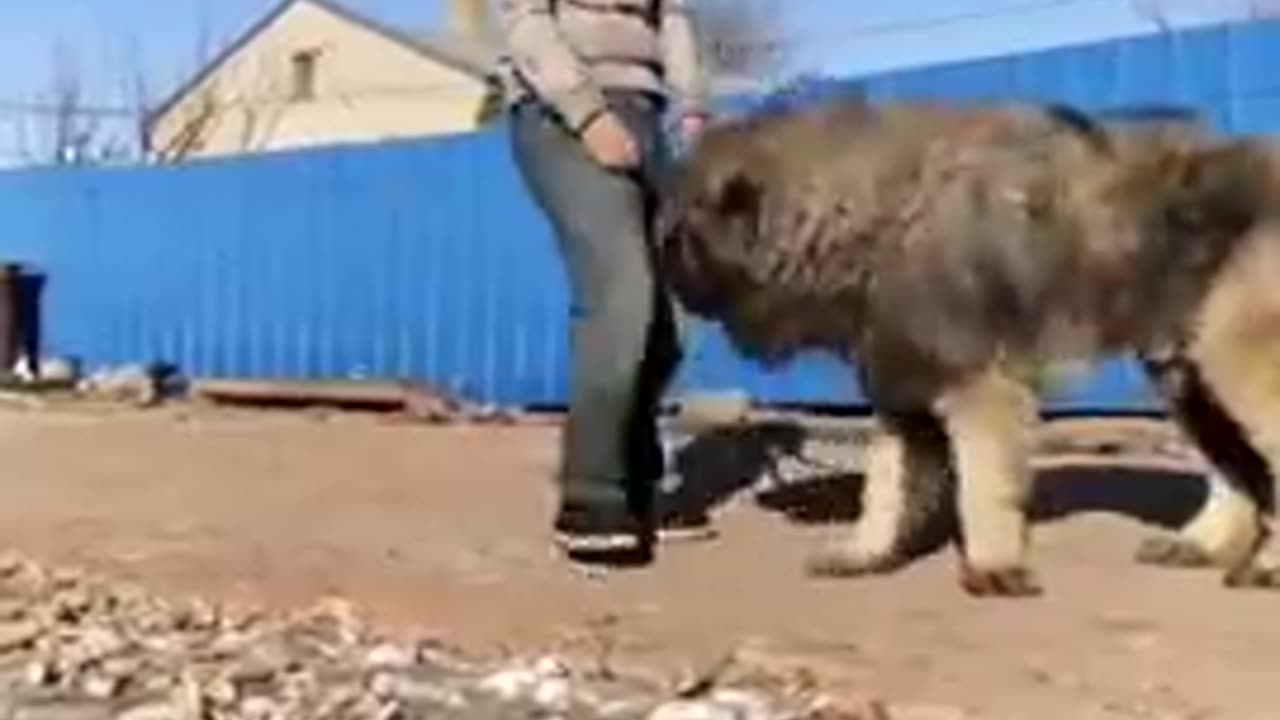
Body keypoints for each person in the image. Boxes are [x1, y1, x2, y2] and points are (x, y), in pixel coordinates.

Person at [496, 0, 714, 559]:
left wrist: (692, 107)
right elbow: (525, 22)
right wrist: (587, 113)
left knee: (676, 306)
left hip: (650, 112)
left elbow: (676, 19)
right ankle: (591, 495)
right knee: (621, 290)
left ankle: (640, 478)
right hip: (561, 109)